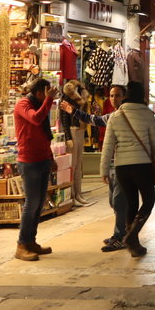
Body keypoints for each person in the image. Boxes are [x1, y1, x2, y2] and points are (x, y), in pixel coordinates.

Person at [61, 84, 129, 252]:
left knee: (119, 201)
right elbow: (95, 120)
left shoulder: (129, 115)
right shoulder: (113, 115)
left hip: (127, 163)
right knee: (115, 201)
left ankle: (122, 235)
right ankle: (123, 233)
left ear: (125, 97)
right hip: (115, 162)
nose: (114, 99)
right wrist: (74, 111)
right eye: (112, 96)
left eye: (117, 95)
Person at [100, 81, 155, 257]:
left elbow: (108, 145)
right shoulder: (147, 115)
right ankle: (132, 235)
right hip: (142, 166)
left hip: (122, 167)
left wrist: (104, 169)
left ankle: (133, 243)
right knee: (148, 201)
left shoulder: (115, 116)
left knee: (131, 203)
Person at [13, 78, 58, 262]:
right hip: (29, 161)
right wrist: (48, 100)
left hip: (42, 159)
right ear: (39, 92)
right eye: (45, 93)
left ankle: (31, 242)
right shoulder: (23, 104)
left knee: (39, 204)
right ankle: (22, 245)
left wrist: (51, 157)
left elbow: (44, 134)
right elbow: (36, 119)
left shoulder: (40, 104)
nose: (47, 97)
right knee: (31, 204)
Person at [60, 80, 91, 206]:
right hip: (72, 131)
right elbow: (64, 118)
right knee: (72, 165)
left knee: (78, 165)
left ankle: (78, 194)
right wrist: (68, 137)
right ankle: (72, 195)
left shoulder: (82, 93)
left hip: (80, 130)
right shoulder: (67, 96)